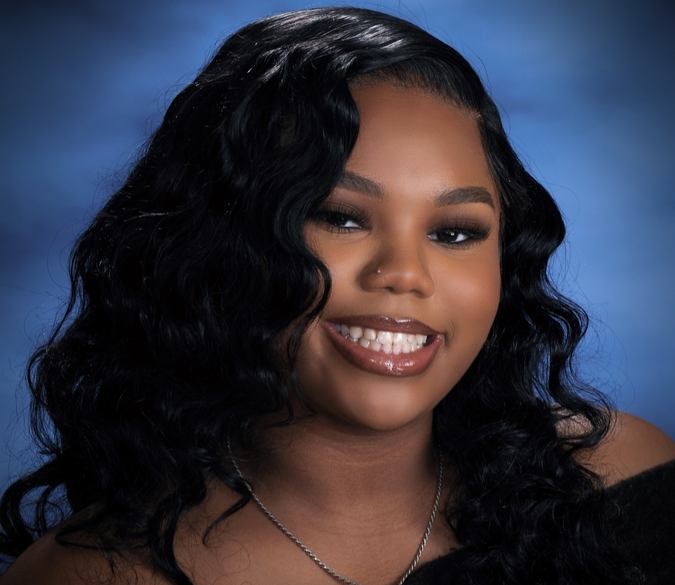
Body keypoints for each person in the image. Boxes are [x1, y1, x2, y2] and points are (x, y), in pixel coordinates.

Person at [1, 7, 674, 585]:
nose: (404, 273)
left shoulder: (621, 484)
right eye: (341, 218)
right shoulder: (91, 575)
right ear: (216, 240)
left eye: (454, 231)